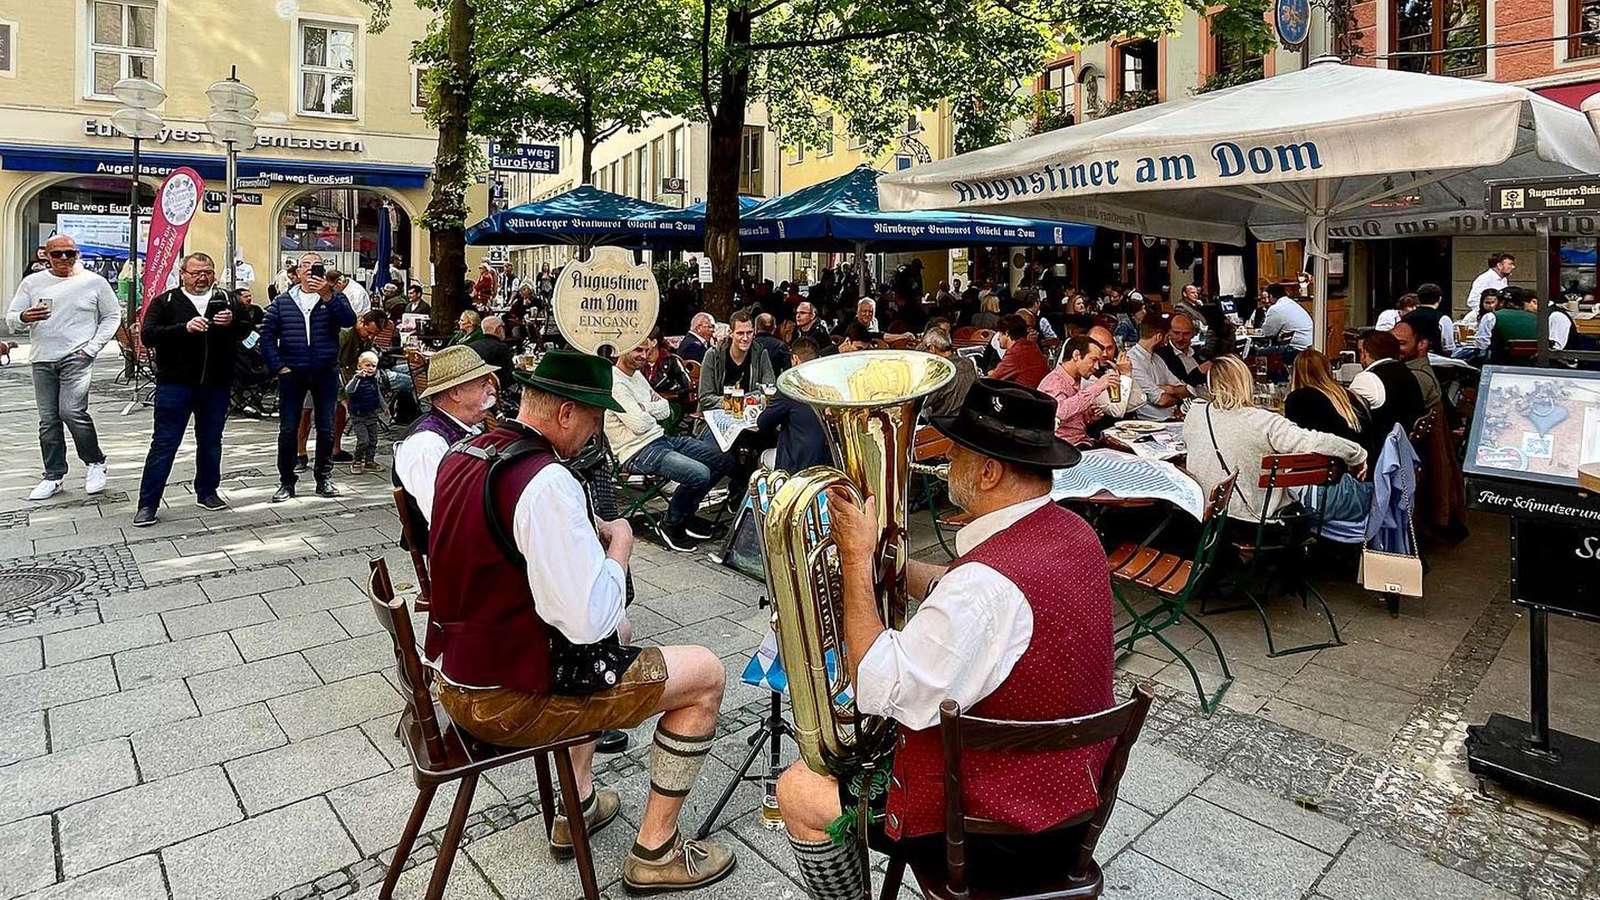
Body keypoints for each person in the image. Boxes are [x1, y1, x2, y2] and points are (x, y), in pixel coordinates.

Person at [776, 378, 1113, 900]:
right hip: (1074, 800)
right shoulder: (1073, 533)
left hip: (993, 835)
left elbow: (875, 681)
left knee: (799, 789)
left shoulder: (984, 586)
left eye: (957, 452)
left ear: (988, 470)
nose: (946, 462)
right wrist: (891, 563)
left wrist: (852, 562)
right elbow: (974, 597)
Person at [425, 350, 738, 891]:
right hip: (505, 698)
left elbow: (502, 545)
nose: (596, 433)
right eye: (594, 420)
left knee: (623, 635)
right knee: (705, 674)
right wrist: (619, 545)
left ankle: (580, 805)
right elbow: (587, 621)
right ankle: (656, 851)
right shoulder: (545, 480)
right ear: (567, 413)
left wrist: (572, 532)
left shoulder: (466, 450)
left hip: (454, 675)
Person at [132, 252, 251, 525]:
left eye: (207, 272)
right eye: (195, 272)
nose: (202, 277)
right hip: (175, 384)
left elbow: (247, 330)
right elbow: (149, 336)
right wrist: (182, 328)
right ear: (182, 273)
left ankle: (207, 491)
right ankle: (148, 504)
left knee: (211, 441)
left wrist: (233, 322)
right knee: (164, 444)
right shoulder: (167, 301)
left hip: (216, 384)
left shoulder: (228, 299)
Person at [1185, 356, 1368, 522]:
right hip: (1256, 520)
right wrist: (1357, 454)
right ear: (1247, 382)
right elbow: (1315, 441)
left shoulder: (1196, 413)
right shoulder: (1264, 422)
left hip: (1204, 517)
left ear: (1211, 385)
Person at [6, 234, 119, 501]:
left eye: (71, 253)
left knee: (71, 411)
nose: (65, 258)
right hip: (43, 358)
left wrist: (91, 348)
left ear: (78, 254)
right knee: (48, 420)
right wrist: (23, 317)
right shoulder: (33, 282)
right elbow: (12, 317)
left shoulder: (94, 282)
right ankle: (53, 474)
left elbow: (112, 316)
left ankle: (95, 462)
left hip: (77, 357)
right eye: (58, 254)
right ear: (46, 255)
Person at [607, 341, 732, 552]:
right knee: (699, 473)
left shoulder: (636, 376)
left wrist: (644, 407)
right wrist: (651, 408)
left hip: (660, 438)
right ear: (621, 349)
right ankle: (671, 523)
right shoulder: (615, 383)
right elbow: (639, 425)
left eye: (646, 350)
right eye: (638, 349)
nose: (644, 355)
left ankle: (686, 515)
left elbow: (665, 409)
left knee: (723, 460)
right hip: (637, 451)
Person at [259, 251, 357, 501]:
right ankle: (286, 481)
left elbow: (349, 321)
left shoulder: (333, 297)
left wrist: (327, 295)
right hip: (293, 373)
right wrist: (279, 366)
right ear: (297, 272)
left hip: (325, 371)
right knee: (288, 428)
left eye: (317, 266)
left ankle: (323, 478)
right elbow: (267, 336)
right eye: (306, 265)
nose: (311, 270)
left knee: (326, 428)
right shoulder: (282, 302)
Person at [393, 346, 499, 530]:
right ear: (455, 393)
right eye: (483, 384)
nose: (492, 390)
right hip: (454, 548)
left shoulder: (468, 428)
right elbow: (447, 520)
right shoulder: (427, 445)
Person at [1038, 334, 1136, 447]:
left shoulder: (1077, 379)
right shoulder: (1054, 381)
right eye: (1093, 360)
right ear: (1076, 355)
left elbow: (1071, 421)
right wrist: (1097, 387)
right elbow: (1059, 412)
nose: (1097, 367)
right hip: (1063, 448)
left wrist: (1088, 417)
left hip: (1081, 442)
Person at [754, 338, 830, 471]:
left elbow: (762, 423)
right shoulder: (829, 386)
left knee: (763, 457)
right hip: (827, 462)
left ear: (795, 359)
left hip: (797, 465)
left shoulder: (790, 388)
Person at [1348, 330, 1426, 456]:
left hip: (1378, 455)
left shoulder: (1367, 378)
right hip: (1405, 451)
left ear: (1365, 354)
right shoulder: (1408, 373)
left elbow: (1349, 419)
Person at [696, 311, 776, 411]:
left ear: (754, 332)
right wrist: (737, 401)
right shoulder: (713, 355)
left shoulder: (761, 354)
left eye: (749, 333)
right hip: (717, 413)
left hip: (750, 414)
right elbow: (705, 398)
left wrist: (749, 400)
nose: (745, 338)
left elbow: (769, 389)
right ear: (731, 333)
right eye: (740, 333)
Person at [1284, 349, 1367, 445]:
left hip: (1328, 456)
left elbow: (1296, 440)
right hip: (1359, 454)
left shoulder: (1298, 399)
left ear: (1296, 373)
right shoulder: (1348, 395)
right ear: (1327, 370)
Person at [1127, 316, 1188, 420]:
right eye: (1167, 337)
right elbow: (1161, 400)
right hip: (1151, 422)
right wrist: (1175, 395)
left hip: (1174, 418)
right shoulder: (1132, 361)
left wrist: (1169, 389)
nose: (1166, 342)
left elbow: (1185, 390)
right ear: (1159, 337)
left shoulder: (1157, 359)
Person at [919, 328, 979, 419]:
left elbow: (925, 403)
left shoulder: (939, 370)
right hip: (967, 418)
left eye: (926, 348)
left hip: (942, 422)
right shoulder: (969, 363)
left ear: (932, 348)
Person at [345, 350, 384, 475]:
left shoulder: (374, 380)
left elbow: (378, 394)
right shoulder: (356, 379)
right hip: (358, 415)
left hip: (371, 413)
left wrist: (384, 406)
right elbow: (349, 390)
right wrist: (357, 377)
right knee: (364, 440)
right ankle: (357, 460)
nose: (370, 368)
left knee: (373, 439)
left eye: (373, 366)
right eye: (367, 365)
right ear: (359, 366)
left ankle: (369, 461)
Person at [1392, 320, 1442, 414]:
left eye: (1402, 343)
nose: (1394, 347)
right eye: (1391, 342)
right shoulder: (1403, 369)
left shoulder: (1418, 376)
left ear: (1422, 344)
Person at [988, 314, 1049, 389]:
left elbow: (994, 378)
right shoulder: (1030, 346)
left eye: (1000, 334)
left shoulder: (1016, 352)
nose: (998, 339)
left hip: (1026, 397)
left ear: (1007, 333)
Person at [1158, 312, 1210, 389]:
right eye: (1176, 333)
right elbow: (1178, 385)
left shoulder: (1199, 352)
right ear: (1169, 332)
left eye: (1186, 334)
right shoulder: (1163, 356)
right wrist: (1199, 371)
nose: (1180, 338)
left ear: (1193, 334)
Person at [1257, 283, 1313, 350]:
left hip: (1296, 347)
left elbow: (1267, 333)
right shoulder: (1293, 304)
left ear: (1271, 296)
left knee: (1259, 352)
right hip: (1310, 343)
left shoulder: (1276, 309)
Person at [1404, 282, 1455, 353]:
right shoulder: (1443, 319)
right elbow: (1448, 348)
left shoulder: (1406, 317)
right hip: (1436, 359)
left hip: (1411, 358)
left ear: (1418, 299)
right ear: (1440, 299)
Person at [1466, 252, 1515, 320]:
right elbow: (1472, 301)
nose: (1513, 267)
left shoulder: (1504, 279)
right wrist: (1485, 315)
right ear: (1499, 265)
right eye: (1510, 264)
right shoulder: (1484, 279)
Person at [474, 315, 516, 389]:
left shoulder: (473, 345)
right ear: (498, 329)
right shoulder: (501, 347)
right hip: (493, 389)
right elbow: (509, 378)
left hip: (475, 386)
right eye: (503, 327)